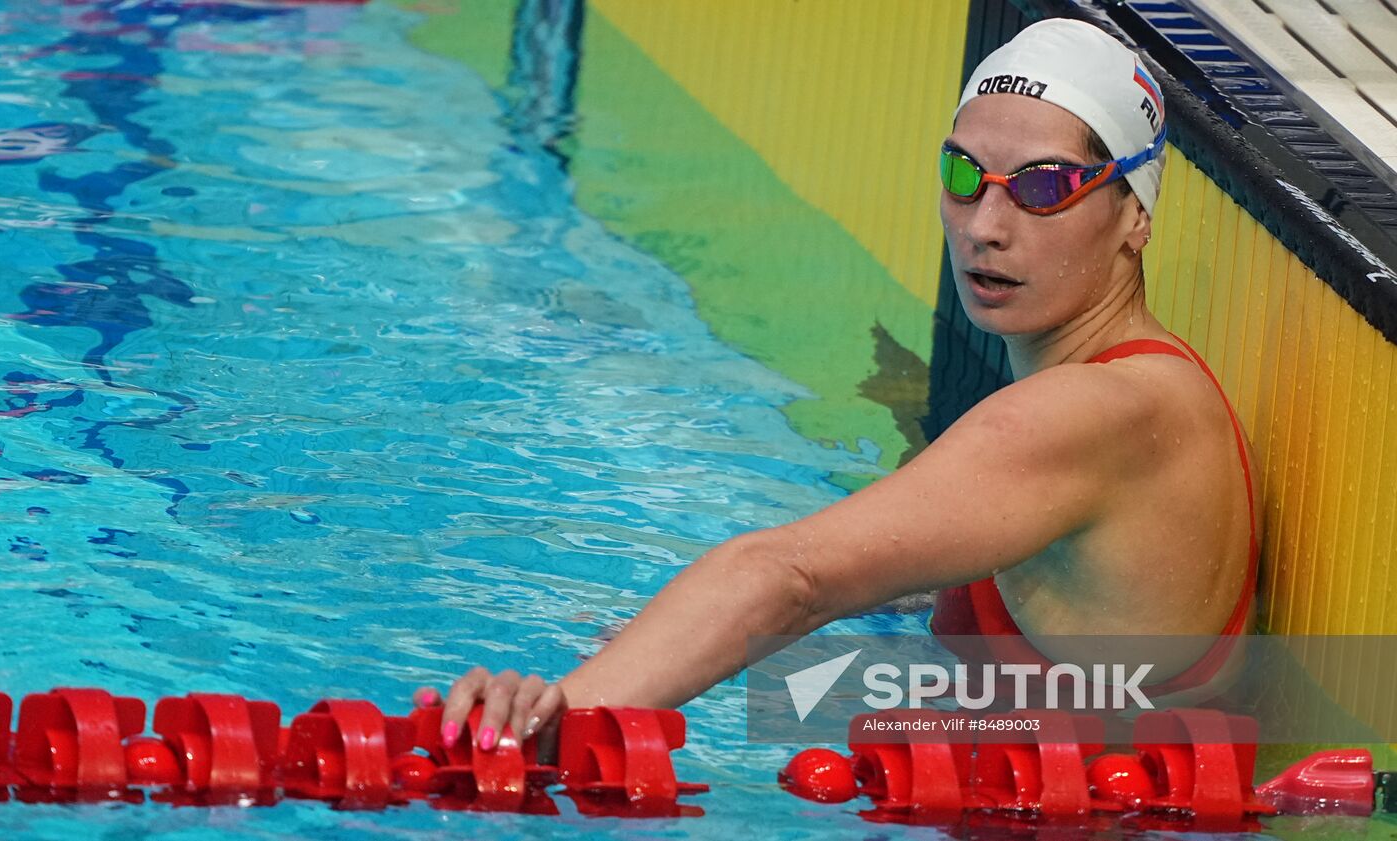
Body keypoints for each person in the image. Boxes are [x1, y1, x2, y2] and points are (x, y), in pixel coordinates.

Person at [413, 18, 1261, 753]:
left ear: (1136, 214)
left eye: (1042, 188)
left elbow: (794, 576)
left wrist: (566, 713)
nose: (986, 229)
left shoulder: (1088, 413)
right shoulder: (1148, 393)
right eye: (964, 176)